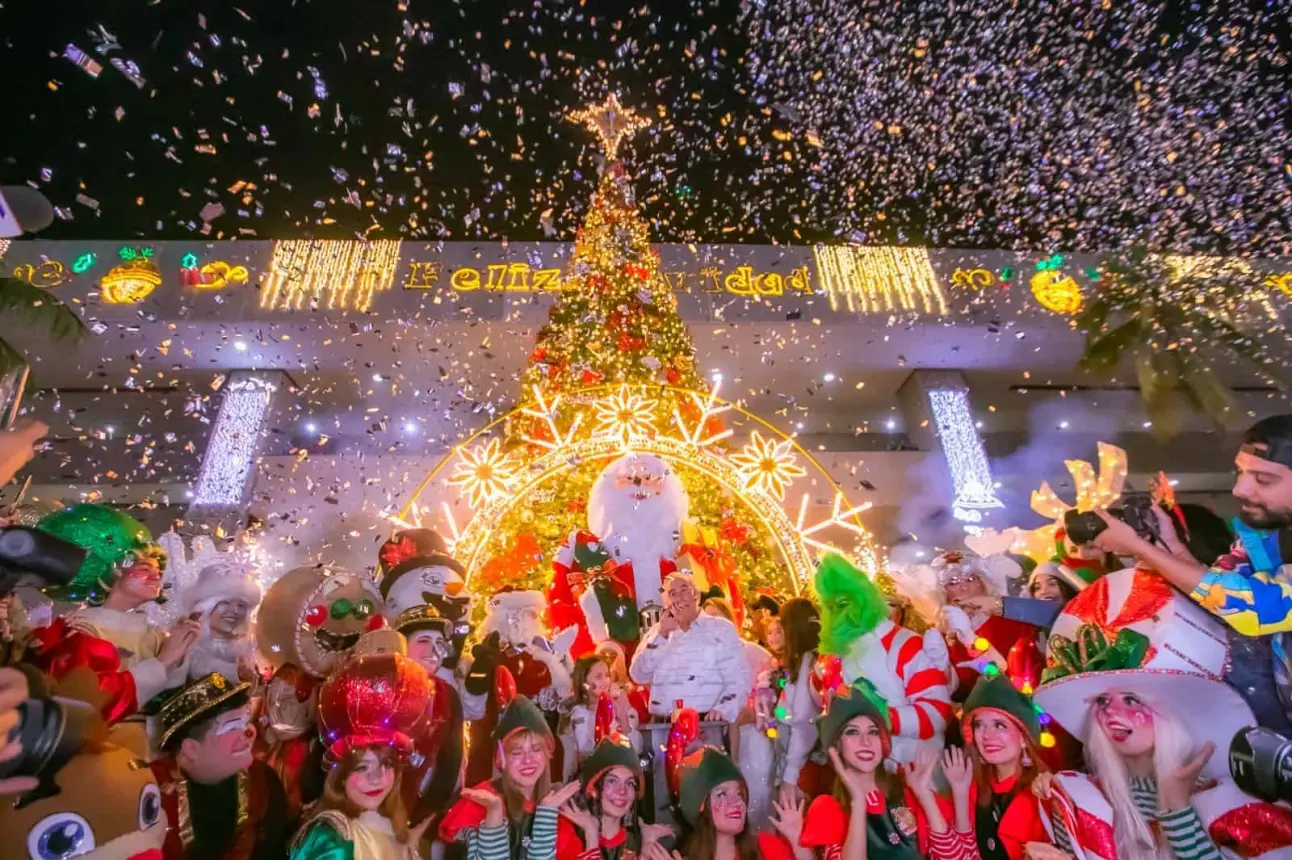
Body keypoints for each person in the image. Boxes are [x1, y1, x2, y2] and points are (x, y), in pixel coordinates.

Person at [1033, 566, 1292, 860]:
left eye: (1131, 699)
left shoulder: (1232, 803)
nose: (1112, 712)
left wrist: (1178, 812)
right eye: (1102, 701)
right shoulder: (1086, 803)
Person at [1087, 415, 1292, 732]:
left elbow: (1257, 607)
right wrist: (1171, 547)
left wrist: (1142, 550)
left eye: (1264, 480)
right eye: (1241, 473)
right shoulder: (1265, 535)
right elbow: (1219, 589)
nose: (1240, 489)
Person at [291, 642, 435, 860]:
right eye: (362, 767)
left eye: (385, 765)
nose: (376, 778)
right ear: (340, 777)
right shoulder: (332, 835)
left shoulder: (392, 827)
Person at [793, 679, 959, 860]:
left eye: (873, 732)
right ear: (837, 746)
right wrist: (858, 802)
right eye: (853, 732)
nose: (866, 742)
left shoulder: (908, 792)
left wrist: (924, 795)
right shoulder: (828, 808)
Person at [814, 553, 953, 765]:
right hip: (860, 779)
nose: (839, 613)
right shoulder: (833, 656)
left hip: (916, 775)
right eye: (831, 606)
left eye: (844, 603)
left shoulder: (907, 645)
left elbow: (936, 712)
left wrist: (877, 718)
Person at [150, 672, 289, 860]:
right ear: (191, 748)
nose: (249, 733)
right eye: (233, 727)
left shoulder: (264, 781)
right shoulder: (150, 792)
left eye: (245, 722)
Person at [440, 694, 582, 860]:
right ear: (502, 759)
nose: (528, 760)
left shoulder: (558, 809)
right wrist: (493, 815)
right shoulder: (481, 803)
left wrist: (549, 814)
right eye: (517, 752)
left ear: (547, 754)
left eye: (536, 749)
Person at [938, 674, 1053, 860]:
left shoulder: (1045, 793)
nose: (987, 735)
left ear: (1024, 738)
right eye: (979, 725)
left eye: (999, 725)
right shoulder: (971, 788)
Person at [628, 572, 750, 727]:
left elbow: (738, 679)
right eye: (672, 594)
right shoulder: (657, 632)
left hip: (705, 726)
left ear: (696, 596)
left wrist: (723, 711)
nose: (678, 598)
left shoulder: (721, 629)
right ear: (667, 604)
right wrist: (660, 636)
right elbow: (638, 675)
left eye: (684, 590)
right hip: (663, 728)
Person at [393, 604, 466, 827]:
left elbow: (451, 758)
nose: (433, 650)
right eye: (423, 640)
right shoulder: (383, 686)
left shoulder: (448, 694)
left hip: (425, 814)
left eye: (439, 644)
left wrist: (432, 811)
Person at [676, 747, 805, 860]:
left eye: (739, 793)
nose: (737, 802)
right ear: (701, 806)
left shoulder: (766, 848)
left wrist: (798, 845)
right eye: (722, 794)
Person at [555, 737, 673, 860]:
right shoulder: (569, 835)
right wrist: (591, 833)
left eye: (630, 783)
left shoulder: (640, 844)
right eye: (612, 781)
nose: (622, 791)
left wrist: (645, 849)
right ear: (593, 788)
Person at [763, 597, 826, 801]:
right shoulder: (802, 661)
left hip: (803, 767)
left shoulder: (808, 662)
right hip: (799, 760)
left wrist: (790, 775)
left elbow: (802, 721)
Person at [180, 559, 263, 683]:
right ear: (206, 607)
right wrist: (234, 672)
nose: (234, 610)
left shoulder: (246, 649)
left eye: (241, 605)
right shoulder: (185, 644)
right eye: (225, 602)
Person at [560, 654, 641, 779]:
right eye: (598, 677)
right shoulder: (573, 712)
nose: (605, 681)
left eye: (607, 675)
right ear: (583, 681)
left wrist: (622, 716)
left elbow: (636, 749)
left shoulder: (617, 706)